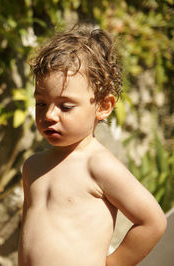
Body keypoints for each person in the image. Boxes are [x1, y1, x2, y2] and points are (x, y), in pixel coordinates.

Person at [18, 25, 167, 266]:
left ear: (103, 106)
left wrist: (113, 263)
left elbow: (153, 221)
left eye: (65, 106)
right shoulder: (33, 167)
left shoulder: (97, 164)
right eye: (41, 104)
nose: (49, 115)